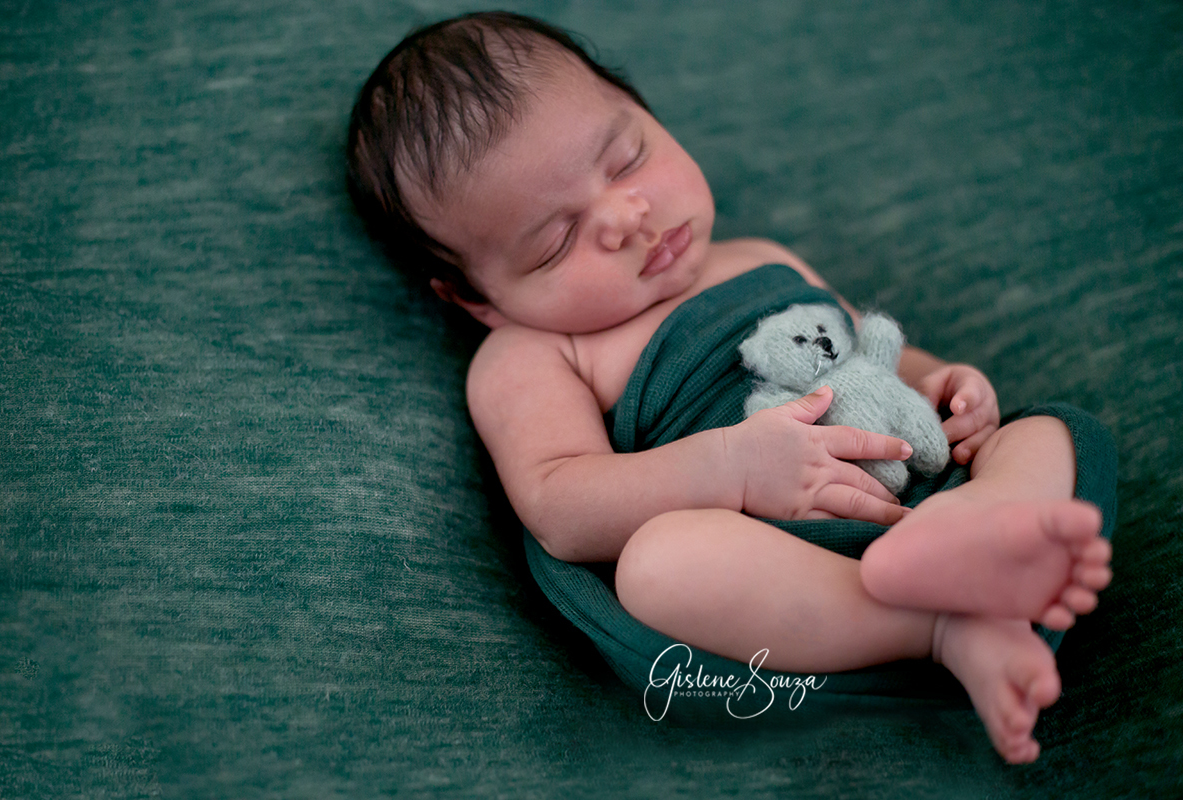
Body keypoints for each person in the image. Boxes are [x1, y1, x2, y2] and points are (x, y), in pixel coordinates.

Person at [346, 11, 1114, 764]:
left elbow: (878, 359)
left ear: (647, 111)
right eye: (556, 241)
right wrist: (732, 471)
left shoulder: (759, 255)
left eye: (625, 160)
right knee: (660, 568)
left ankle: (983, 530)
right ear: (476, 300)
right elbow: (558, 506)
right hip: (787, 564)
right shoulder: (533, 353)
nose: (625, 216)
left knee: (1043, 432)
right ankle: (941, 630)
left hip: (924, 490)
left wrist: (947, 387)